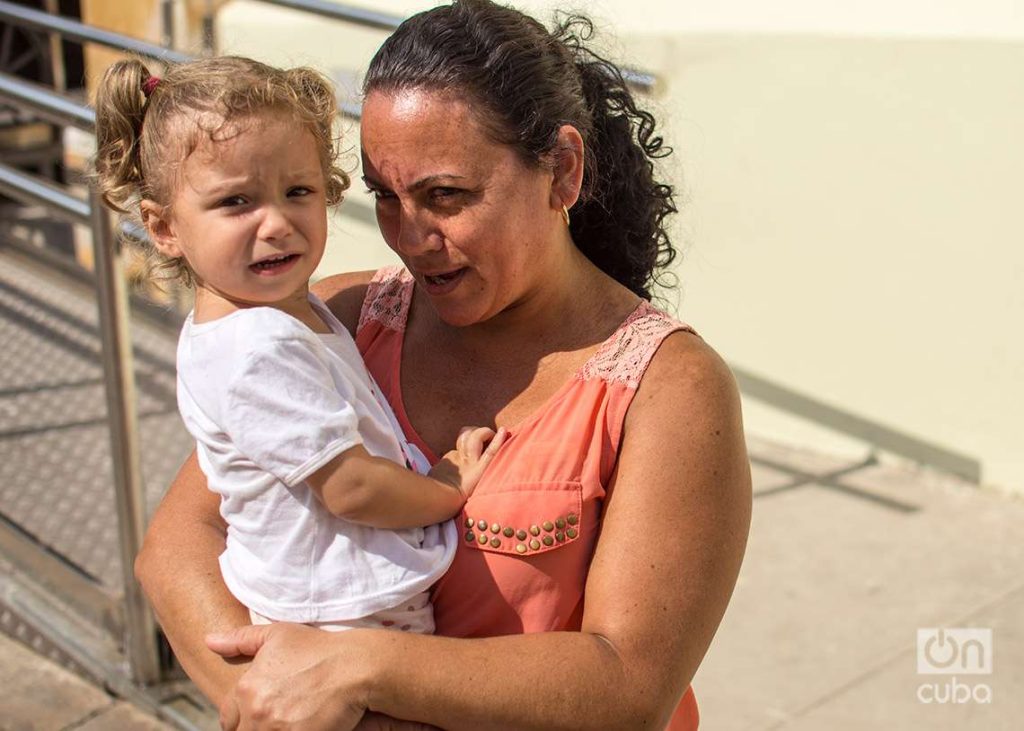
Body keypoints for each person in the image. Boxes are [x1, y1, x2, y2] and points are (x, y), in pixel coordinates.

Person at [135, 1, 753, 728]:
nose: (410, 236)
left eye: (445, 196)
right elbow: (176, 550)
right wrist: (273, 697)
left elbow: (627, 680)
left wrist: (361, 670)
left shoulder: (668, 390)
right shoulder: (333, 320)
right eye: (385, 197)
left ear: (561, 169)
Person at [94, 55, 505, 635]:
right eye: (236, 201)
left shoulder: (265, 320)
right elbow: (350, 486)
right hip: (344, 617)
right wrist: (445, 488)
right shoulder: (256, 347)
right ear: (164, 228)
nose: (277, 222)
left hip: (332, 603)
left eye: (297, 191)